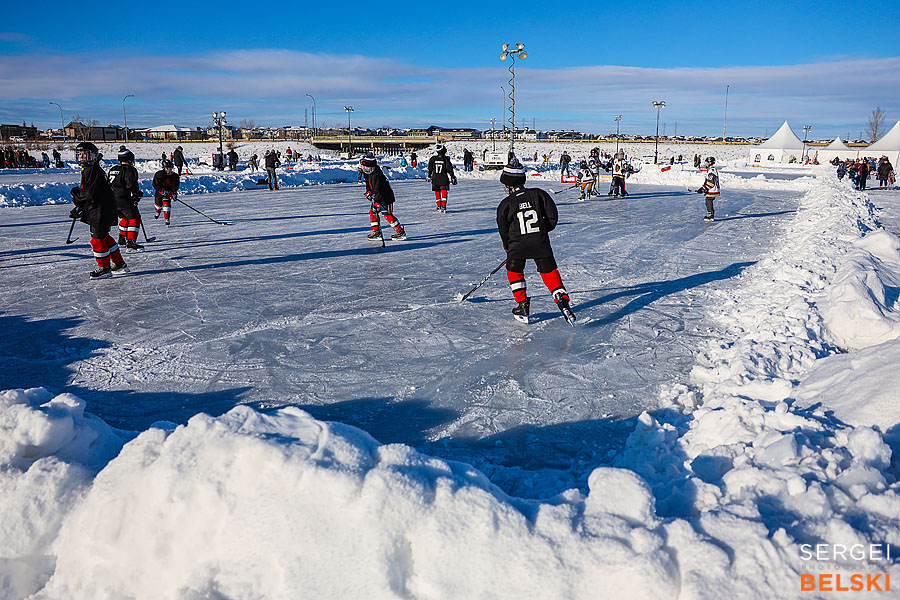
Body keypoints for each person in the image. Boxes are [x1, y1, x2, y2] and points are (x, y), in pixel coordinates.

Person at [496, 156, 574, 325]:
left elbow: (504, 231)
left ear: (509, 184)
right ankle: (561, 299)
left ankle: (522, 305)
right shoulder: (539, 194)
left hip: (517, 246)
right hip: (540, 242)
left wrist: (508, 248)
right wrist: (540, 230)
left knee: (514, 270)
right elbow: (552, 218)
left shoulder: (505, 204)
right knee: (548, 270)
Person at [69, 142, 128, 279]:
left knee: (97, 239)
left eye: (86, 155)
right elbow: (92, 193)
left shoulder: (91, 170)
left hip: (100, 210)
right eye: (80, 154)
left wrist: (77, 196)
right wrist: (80, 206)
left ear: (93, 156)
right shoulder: (91, 169)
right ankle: (119, 263)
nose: (82, 157)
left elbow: (90, 194)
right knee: (104, 237)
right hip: (101, 209)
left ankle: (104, 268)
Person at [359, 153, 405, 241]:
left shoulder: (377, 175)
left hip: (385, 198)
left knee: (387, 214)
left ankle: (400, 231)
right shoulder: (367, 174)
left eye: (368, 167)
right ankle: (376, 232)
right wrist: (368, 193)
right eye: (365, 167)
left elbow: (379, 190)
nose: (366, 169)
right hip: (377, 198)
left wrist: (378, 202)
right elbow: (368, 185)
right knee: (372, 212)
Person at [108, 146, 144, 252]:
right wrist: (136, 194)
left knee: (125, 218)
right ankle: (131, 242)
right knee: (135, 218)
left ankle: (122, 239)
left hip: (112, 199)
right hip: (124, 198)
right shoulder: (129, 170)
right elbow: (131, 184)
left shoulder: (113, 169)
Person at [427, 144, 457, 213]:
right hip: (444, 178)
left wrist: (429, 176)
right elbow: (449, 169)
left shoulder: (433, 159)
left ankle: (438, 205)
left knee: (437, 192)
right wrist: (452, 176)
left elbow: (430, 169)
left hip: (435, 179)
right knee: (444, 192)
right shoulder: (445, 160)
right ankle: (443, 205)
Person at [152, 159, 180, 225]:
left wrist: (173, 193)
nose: (170, 170)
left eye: (171, 168)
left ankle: (167, 220)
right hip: (159, 193)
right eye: (169, 168)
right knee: (158, 206)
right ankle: (157, 212)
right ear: (165, 168)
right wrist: (161, 190)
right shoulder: (159, 174)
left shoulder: (175, 176)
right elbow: (155, 184)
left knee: (166, 206)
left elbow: (176, 186)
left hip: (168, 194)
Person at [695, 156, 720, 221]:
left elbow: (710, 183)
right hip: (712, 189)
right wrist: (702, 188)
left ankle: (711, 216)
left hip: (713, 190)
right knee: (708, 200)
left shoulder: (711, 171)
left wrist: (704, 189)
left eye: (706, 162)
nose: (705, 164)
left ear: (710, 163)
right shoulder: (711, 170)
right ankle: (710, 214)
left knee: (708, 200)